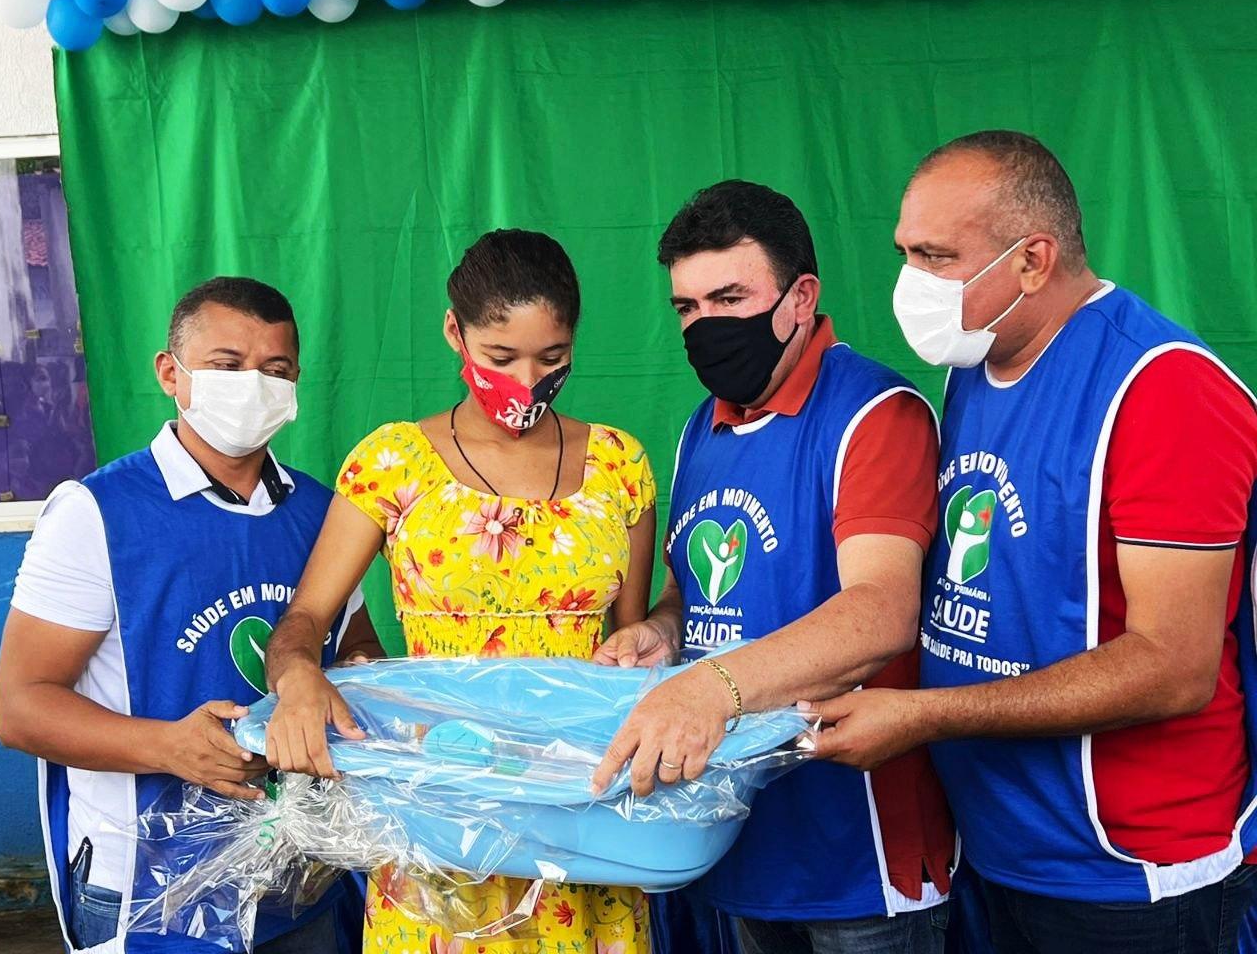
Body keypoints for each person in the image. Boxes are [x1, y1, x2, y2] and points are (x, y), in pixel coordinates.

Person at [803, 130, 1257, 953]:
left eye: (937, 257)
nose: (913, 283)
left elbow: (1176, 664)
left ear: (1032, 261)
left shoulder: (1162, 390)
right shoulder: (974, 363)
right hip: (999, 850)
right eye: (906, 252)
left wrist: (923, 717)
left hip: (1127, 875)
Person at [259, 229, 659, 954]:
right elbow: (307, 617)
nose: (527, 382)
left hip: (582, 815)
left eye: (553, 359)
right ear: (455, 331)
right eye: (501, 358)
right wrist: (296, 678)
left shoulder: (618, 465)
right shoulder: (392, 463)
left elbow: (634, 655)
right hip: (441, 816)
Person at [593, 181, 954, 954]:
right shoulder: (701, 429)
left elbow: (882, 612)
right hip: (734, 839)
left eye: (728, 297)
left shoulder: (875, 414)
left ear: (801, 297)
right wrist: (659, 635)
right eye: (687, 308)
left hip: (857, 859)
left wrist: (708, 687)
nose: (705, 327)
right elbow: (691, 596)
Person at [0, 276, 379, 954]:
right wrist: (169, 747)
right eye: (227, 366)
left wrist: (362, 682)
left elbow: (354, 655)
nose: (252, 385)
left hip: (304, 876)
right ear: (171, 373)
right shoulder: (96, 514)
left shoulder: (323, 513)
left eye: (276, 370)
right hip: (147, 888)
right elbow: (20, 707)